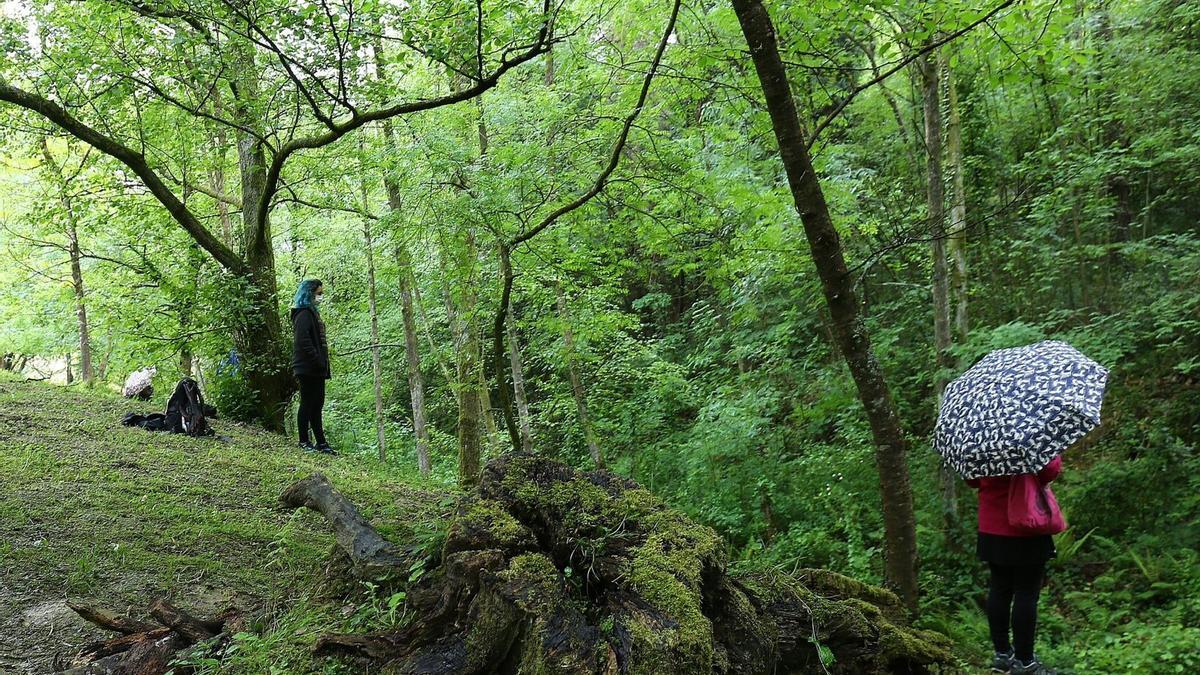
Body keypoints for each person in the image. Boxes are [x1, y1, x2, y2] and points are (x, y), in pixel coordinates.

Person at [966, 455, 1063, 675]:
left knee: (999, 588)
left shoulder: (984, 440)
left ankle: (1002, 655)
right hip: (1025, 525)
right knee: (1026, 593)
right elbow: (1050, 471)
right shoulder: (1028, 435)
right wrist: (1053, 453)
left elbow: (972, 480)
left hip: (991, 527)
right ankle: (1025, 661)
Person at [291, 279, 334, 455]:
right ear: (309, 293)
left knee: (317, 404)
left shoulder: (312, 314)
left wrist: (321, 364)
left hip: (317, 368)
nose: (320, 297)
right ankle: (303, 441)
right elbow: (303, 341)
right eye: (318, 293)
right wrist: (316, 359)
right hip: (307, 367)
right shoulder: (303, 314)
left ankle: (321, 442)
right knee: (307, 403)